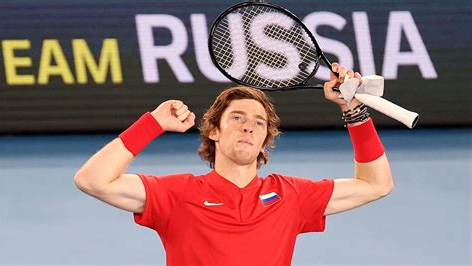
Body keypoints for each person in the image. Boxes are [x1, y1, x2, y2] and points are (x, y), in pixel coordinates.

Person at [74, 63, 393, 265]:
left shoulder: (290, 195)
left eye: (258, 123)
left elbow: (376, 184)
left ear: (265, 137)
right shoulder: (177, 194)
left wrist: (354, 111)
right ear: (213, 130)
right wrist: (153, 124)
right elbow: (93, 180)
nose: (248, 127)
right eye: (237, 118)